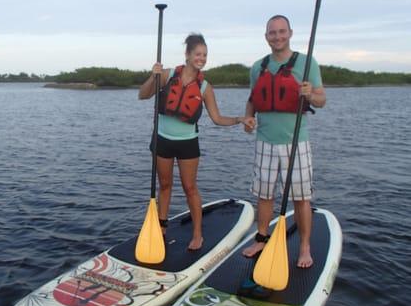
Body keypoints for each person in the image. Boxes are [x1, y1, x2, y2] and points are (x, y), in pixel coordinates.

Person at [139, 33, 255, 251]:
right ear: (187, 54)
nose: (202, 58)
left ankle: (198, 234)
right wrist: (152, 77)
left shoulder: (205, 87)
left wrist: (240, 119)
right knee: (164, 186)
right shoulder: (167, 75)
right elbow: (142, 95)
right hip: (162, 140)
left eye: (205, 55)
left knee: (189, 187)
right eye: (198, 54)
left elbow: (218, 119)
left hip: (187, 144)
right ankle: (161, 229)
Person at [242, 15, 326, 268]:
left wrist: (310, 94)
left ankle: (304, 247)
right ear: (266, 36)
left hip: (296, 142)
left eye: (281, 32)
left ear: (290, 33)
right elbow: (253, 100)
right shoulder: (258, 66)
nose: (277, 37)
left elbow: (322, 100)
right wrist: (248, 118)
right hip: (265, 140)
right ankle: (261, 238)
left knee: (301, 197)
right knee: (264, 194)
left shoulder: (306, 61)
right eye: (272, 33)